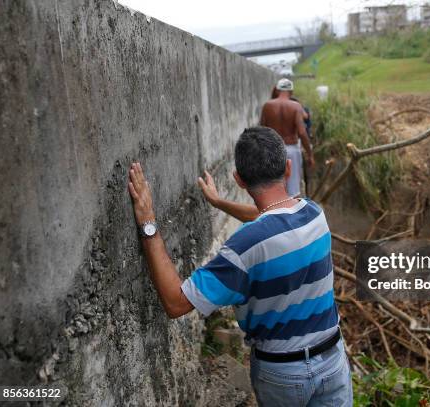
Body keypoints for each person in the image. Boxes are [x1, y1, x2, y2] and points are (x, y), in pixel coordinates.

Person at [127, 127, 352, 406]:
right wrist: (218, 202)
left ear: (239, 180)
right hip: (332, 360)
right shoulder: (313, 213)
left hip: (282, 374)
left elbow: (175, 303)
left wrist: (148, 223)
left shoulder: (243, 250)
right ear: (289, 168)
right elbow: (272, 217)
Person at [261, 78, 314, 197]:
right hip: (291, 150)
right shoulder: (296, 106)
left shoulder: (267, 106)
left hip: (272, 149)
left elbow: (262, 132)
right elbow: (302, 132)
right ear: (291, 92)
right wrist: (310, 154)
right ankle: (292, 213)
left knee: (274, 188)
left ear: (277, 90)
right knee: (293, 190)